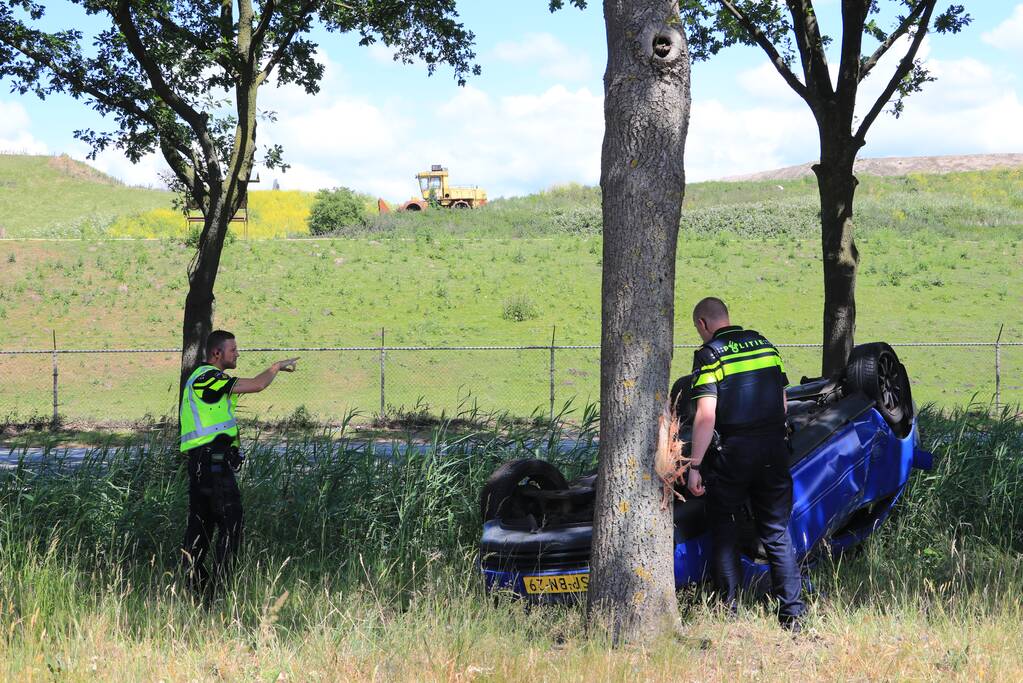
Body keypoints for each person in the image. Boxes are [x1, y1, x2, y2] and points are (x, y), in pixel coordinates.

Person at [684, 297, 806, 629]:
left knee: (724, 528)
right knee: (777, 533)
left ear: (703, 324)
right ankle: (793, 615)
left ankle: (730, 609)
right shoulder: (766, 345)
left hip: (734, 453)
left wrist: (694, 465)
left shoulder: (709, 355)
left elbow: (706, 416)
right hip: (773, 449)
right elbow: (783, 403)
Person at [179, 329, 298, 599]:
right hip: (211, 467)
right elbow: (257, 384)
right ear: (216, 353)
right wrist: (276, 367)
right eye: (233, 350)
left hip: (207, 465)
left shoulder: (208, 379)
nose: (237, 353)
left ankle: (198, 592)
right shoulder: (207, 378)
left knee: (203, 527)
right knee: (230, 524)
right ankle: (217, 591)